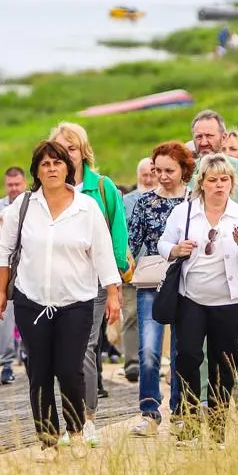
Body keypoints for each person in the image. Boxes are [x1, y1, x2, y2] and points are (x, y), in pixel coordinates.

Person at [0, 141, 122, 457]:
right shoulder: (22, 206)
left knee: (70, 368)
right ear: (36, 170)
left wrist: (114, 294)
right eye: (45, 164)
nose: (51, 168)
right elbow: (5, 252)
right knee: (39, 370)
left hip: (76, 301)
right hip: (31, 300)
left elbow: (102, 252)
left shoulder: (86, 207)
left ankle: (75, 432)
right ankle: (48, 438)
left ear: (68, 167)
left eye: (57, 162)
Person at [158, 154, 238, 444]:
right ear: (201, 183)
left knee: (224, 362)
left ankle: (217, 427)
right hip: (191, 297)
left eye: (225, 179)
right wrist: (176, 249)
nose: (219, 185)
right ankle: (190, 423)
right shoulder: (185, 212)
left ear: (232, 182)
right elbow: (163, 243)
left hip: (229, 300)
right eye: (213, 180)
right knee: (188, 356)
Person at [48, 121, 129, 434]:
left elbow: (117, 232)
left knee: (85, 345)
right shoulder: (48, 188)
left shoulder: (103, 187)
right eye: (60, 149)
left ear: (83, 152)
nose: (66, 155)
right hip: (58, 280)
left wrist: (115, 276)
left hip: (95, 278)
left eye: (72, 148)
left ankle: (86, 415)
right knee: (61, 348)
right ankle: (70, 409)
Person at [125, 141, 192, 436]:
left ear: (183, 170)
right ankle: (150, 411)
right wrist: (123, 262)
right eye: (157, 170)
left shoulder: (193, 202)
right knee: (149, 349)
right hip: (152, 281)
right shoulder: (144, 202)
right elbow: (132, 243)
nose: (162, 176)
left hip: (187, 281)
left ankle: (180, 410)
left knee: (182, 349)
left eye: (169, 170)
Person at [0, 167, 28, 384]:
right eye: (10, 185)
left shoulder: (32, 202)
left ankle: (30, 357)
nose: (13, 189)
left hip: (29, 266)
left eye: (17, 185)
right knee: (5, 318)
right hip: (6, 266)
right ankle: (6, 363)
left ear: (24, 183)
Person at [117, 157, 157, 382]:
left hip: (160, 268)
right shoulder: (127, 201)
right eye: (145, 174)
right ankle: (132, 362)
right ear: (138, 175)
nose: (149, 177)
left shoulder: (164, 198)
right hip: (134, 269)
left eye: (153, 172)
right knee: (131, 315)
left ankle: (153, 361)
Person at [188, 110, 238, 208]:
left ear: (223, 137)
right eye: (198, 137)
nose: (203, 142)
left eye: (209, 136)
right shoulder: (186, 171)